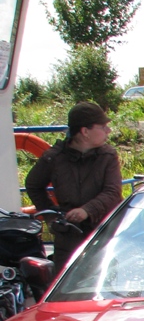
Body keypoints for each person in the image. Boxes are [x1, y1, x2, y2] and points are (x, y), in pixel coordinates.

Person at [25, 101, 123, 271]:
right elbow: (33, 185)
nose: (108, 130)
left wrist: (87, 210)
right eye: (102, 126)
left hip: (103, 232)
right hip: (68, 238)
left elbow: (113, 192)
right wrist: (51, 216)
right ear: (85, 131)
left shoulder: (108, 156)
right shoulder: (54, 157)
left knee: (103, 279)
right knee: (65, 283)